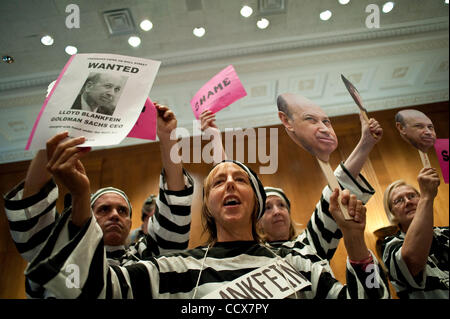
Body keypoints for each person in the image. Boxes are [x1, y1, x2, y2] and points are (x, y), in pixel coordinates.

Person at [25, 141, 389, 299]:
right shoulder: (171, 269)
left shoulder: (299, 262)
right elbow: (85, 290)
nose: (229, 182)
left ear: (257, 202)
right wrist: (79, 204)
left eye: (241, 179)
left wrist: (356, 243)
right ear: (210, 207)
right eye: (218, 181)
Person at [3, 103, 194, 297]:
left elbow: (174, 217)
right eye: (103, 209)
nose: (114, 215)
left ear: (130, 223)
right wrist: (53, 139)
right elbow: (31, 219)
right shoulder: (65, 248)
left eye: (122, 211)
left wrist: (168, 138)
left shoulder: (145, 255)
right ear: (90, 217)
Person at [381, 167, 448, 298]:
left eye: (412, 196)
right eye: (399, 200)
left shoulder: (445, 233)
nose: (408, 202)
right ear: (392, 212)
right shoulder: (391, 246)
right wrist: (427, 197)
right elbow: (412, 261)